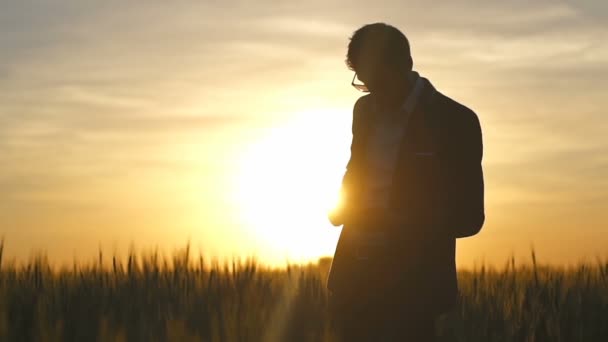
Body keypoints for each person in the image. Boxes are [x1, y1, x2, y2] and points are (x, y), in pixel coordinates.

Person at [326, 23, 485, 341]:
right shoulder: (364, 111)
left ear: (404, 66)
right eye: (363, 82)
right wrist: (341, 208)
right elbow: (355, 171)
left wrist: (396, 224)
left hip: (413, 290)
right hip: (354, 282)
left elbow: (470, 217)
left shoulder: (456, 122)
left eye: (377, 80)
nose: (371, 91)